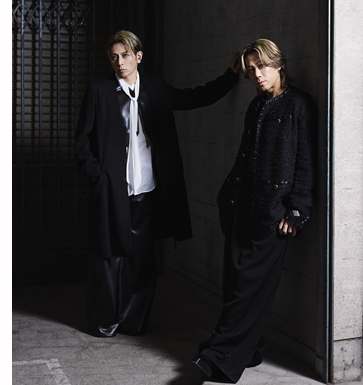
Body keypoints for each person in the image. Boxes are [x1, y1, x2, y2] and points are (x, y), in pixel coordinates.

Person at [74, 30, 241, 337]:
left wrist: (229, 77)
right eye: (114, 56)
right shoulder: (99, 91)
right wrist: (99, 177)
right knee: (109, 257)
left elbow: (194, 97)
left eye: (126, 55)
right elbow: (81, 142)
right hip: (112, 190)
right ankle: (105, 320)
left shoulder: (154, 87)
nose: (120, 62)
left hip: (146, 190)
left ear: (138, 57)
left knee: (141, 259)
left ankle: (133, 320)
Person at [192, 38, 316, 383]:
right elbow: (245, 156)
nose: (257, 74)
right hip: (240, 206)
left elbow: (306, 161)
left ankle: (218, 356)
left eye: (262, 66)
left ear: (278, 64)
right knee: (235, 282)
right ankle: (251, 349)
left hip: (273, 214)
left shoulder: (299, 105)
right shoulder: (256, 105)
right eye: (250, 70)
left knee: (248, 288)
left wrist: (297, 210)